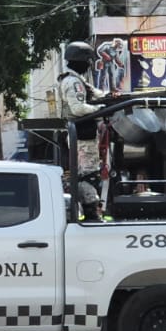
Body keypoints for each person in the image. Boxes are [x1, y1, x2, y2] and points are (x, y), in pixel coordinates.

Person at [60, 40, 112, 220]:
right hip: (82, 135)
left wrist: (110, 97)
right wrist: (100, 109)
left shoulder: (78, 81)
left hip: (83, 135)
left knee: (87, 172)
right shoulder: (73, 82)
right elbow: (78, 108)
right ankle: (91, 211)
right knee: (88, 174)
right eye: (88, 60)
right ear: (80, 61)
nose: (90, 64)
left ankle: (90, 209)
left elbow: (96, 93)